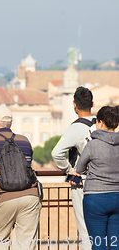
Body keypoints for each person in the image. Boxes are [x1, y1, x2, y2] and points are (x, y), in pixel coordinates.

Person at [0, 106, 41, 250]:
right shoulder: (24, 140)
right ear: (10, 124)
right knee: (26, 244)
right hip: (30, 196)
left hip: (2, 197)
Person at [51, 86, 95, 250]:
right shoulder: (102, 122)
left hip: (82, 183)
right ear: (92, 103)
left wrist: (70, 171)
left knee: (85, 229)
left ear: (74, 105)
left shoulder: (76, 128)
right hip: (107, 183)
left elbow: (56, 153)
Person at [73, 105, 119, 250]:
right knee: (115, 244)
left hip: (95, 199)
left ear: (100, 123)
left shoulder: (92, 145)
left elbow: (79, 169)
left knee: (98, 244)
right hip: (117, 196)